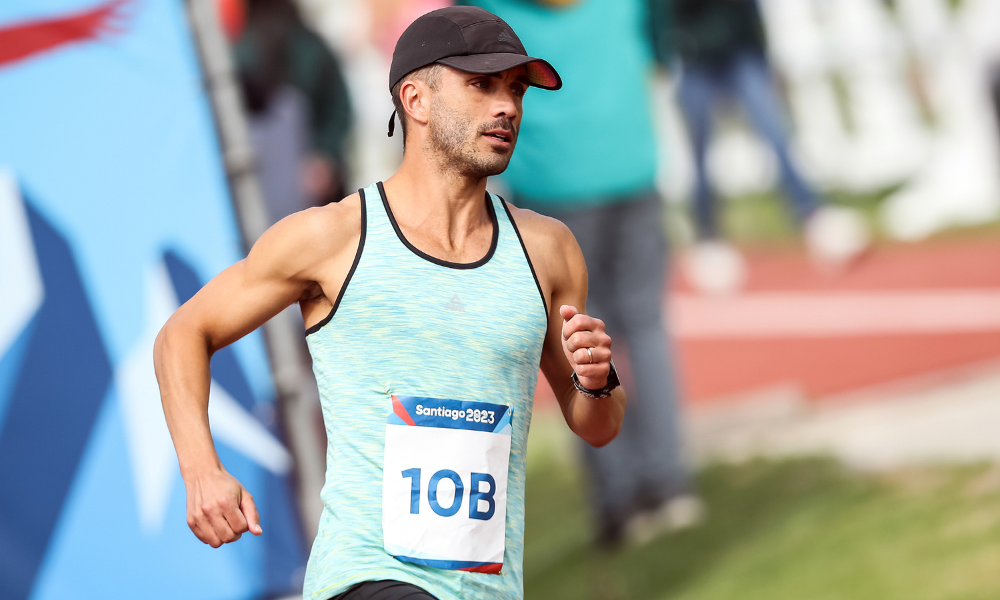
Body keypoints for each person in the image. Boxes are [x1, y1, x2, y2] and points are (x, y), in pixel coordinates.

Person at [153, 7, 625, 600]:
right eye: (481, 85)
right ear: (415, 100)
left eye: (517, 89)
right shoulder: (333, 238)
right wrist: (202, 471)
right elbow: (182, 334)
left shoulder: (548, 250)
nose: (507, 106)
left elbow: (598, 425)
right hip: (368, 578)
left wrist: (597, 378)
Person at [462, 0, 698, 547]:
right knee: (646, 327)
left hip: (552, 183)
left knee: (577, 340)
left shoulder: (489, 8)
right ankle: (670, 481)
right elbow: (661, 52)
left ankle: (619, 498)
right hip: (630, 161)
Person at [655, 0, 869, 292]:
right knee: (701, 152)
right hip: (694, 57)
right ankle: (708, 236)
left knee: (775, 134)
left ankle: (813, 216)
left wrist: (762, 48)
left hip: (742, 50)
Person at [235, 0, 353, 207]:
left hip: (303, 179)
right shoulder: (242, 49)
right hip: (266, 174)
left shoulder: (307, 47)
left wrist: (324, 155)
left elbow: (338, 108)